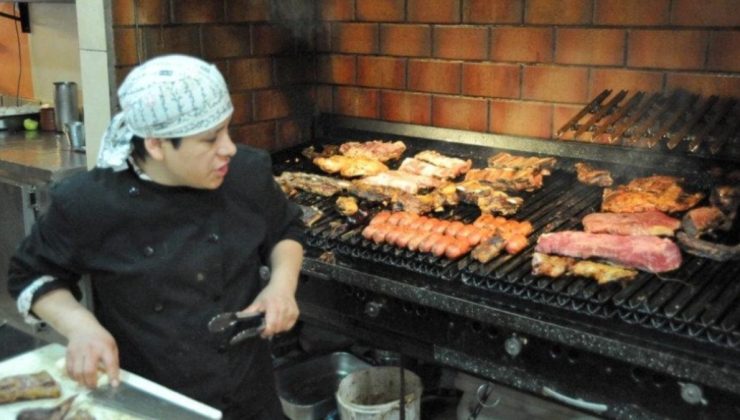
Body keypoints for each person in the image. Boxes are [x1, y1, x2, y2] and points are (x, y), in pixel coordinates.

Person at [7, 54, 305, 419]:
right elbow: (31, 274)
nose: (228, 148)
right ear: (156, 145)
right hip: (153, 400)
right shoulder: (90, 202)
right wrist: (81, 327)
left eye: (227, 130)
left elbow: (285, 229)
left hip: (250, 394)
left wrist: (282, 286)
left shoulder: (245, 173)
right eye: (210, 139)